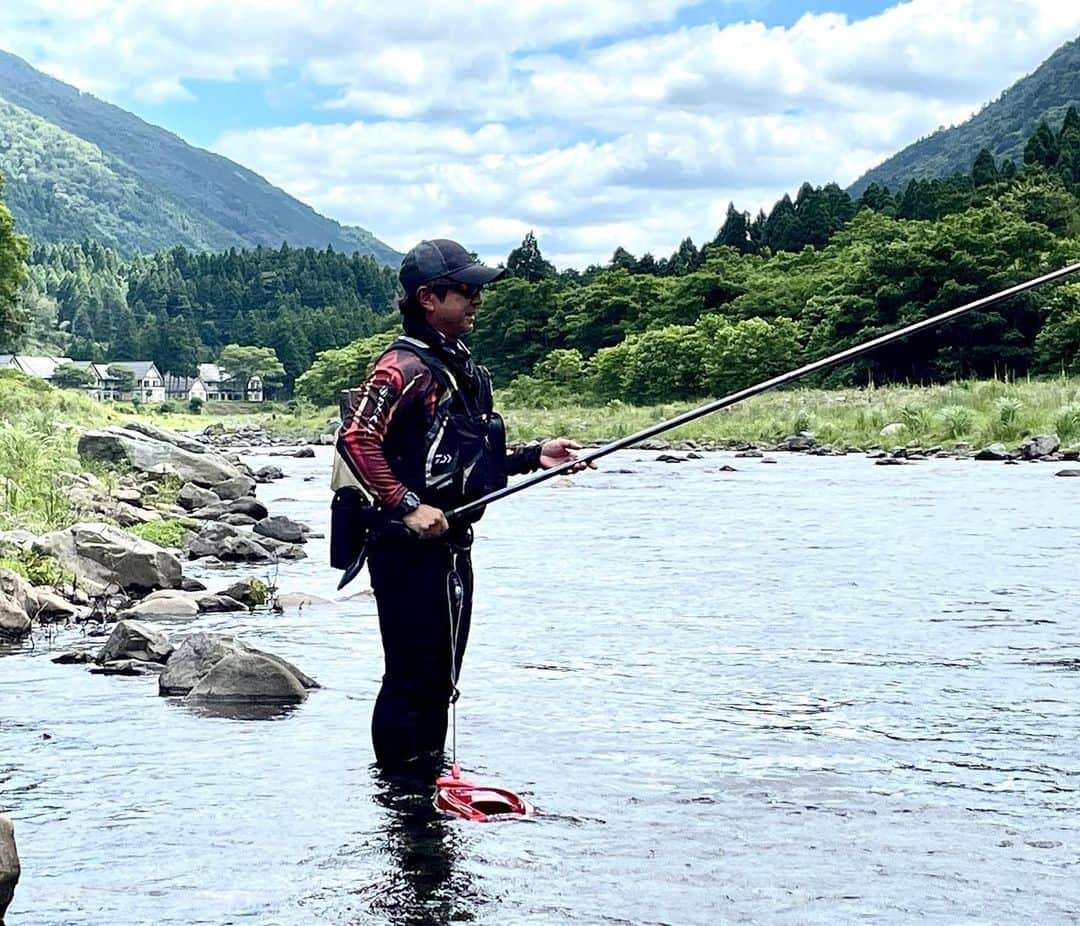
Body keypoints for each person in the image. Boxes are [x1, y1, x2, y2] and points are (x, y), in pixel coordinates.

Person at [335, 238, 589, 771]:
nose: (477, 299)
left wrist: (531, 457)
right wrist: (406, 505)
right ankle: (403, 798)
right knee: (411, 679)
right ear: (428, 298)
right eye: (466, 290)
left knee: (442, 676)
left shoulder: (456, 365)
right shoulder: (401, 366)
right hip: (405, 548)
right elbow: (356, 438)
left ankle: (426, 784)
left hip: (450, 544)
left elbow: (463, 451)